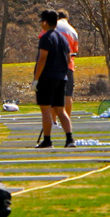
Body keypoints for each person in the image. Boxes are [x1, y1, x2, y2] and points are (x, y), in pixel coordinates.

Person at [32, 9, 74, 148]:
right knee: (60, 110)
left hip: (47, 78)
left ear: (45, 22)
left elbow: (42, 59)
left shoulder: (46, 37)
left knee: (46, 110)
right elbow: (68, 59)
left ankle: (48, 140)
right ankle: (69, 139)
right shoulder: (62, 38)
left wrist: (36, 79)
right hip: (61, 78)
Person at [55, 9, 79, 121]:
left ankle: (53, 120)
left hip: (54, 64)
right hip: (69, 65)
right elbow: (75, 50)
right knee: (68, 95)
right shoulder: (73, 31)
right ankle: (67, 121)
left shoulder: (53, 26)